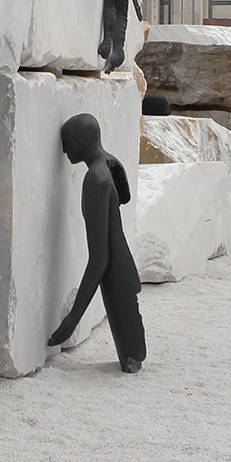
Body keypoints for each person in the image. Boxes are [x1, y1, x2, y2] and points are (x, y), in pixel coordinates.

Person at [46, 114, 147, 373]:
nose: (64, 149)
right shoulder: (111, 163)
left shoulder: (96, 180)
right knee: (126, 319)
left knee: (125, 321)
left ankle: (132, 357)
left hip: (116, 265)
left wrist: (73, 318)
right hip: (121, 255)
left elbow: (99, 257)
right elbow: (124, 197)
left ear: (80, 141)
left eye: (67, 141)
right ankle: (132, 355)